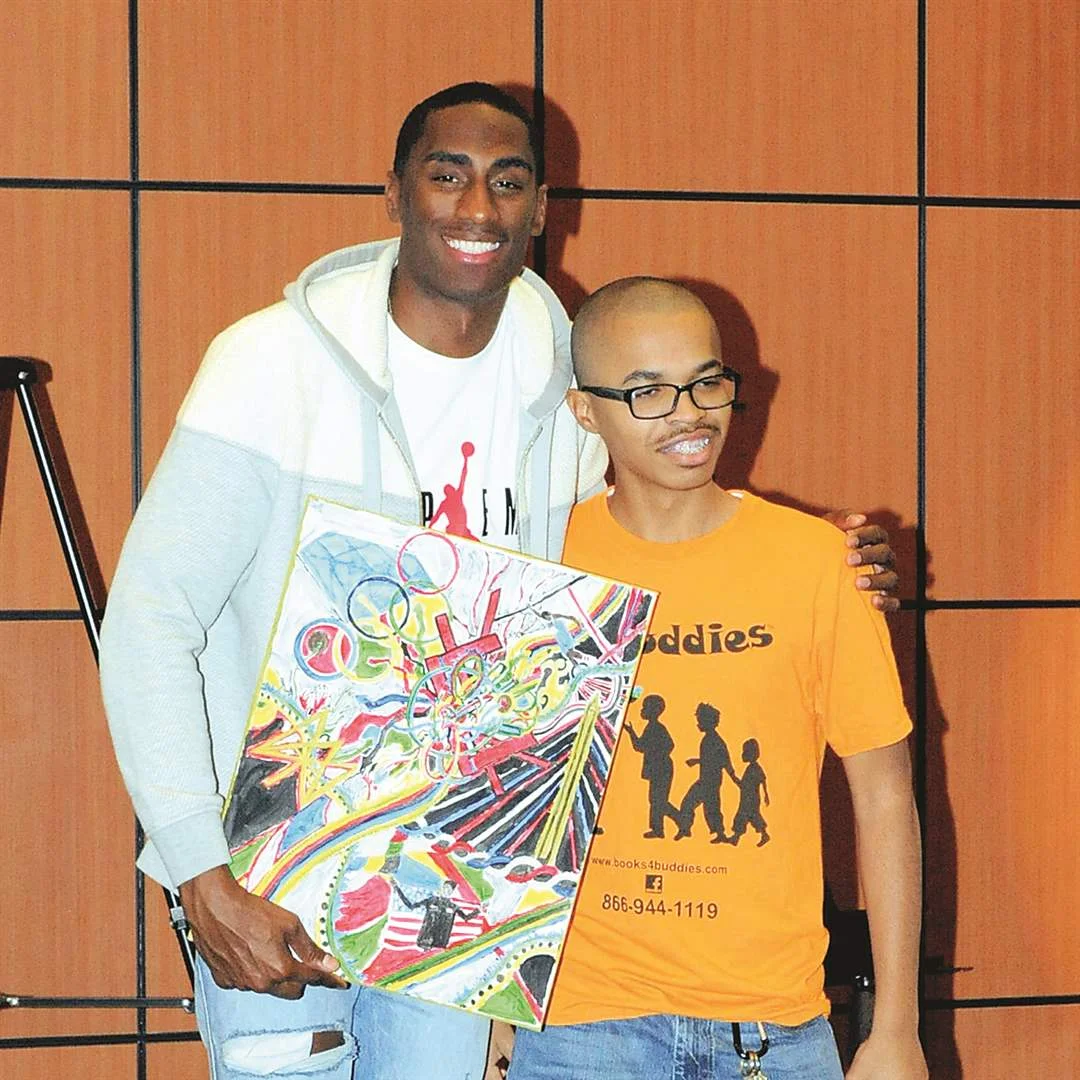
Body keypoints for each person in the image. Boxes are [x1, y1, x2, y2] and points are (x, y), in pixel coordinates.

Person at [99, 82, 901, 1080]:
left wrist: (813, 550)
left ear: (541, 207)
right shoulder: (268, 365)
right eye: (448, 175)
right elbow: (148, 619)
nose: (477, 208)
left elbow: (640, 530)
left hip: (463, 880)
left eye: (507, 181)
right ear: (394, 192)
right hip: (276, 870)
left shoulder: (553, 369)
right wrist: (198, 874)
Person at [508, 278, 927, 1079]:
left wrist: (896, 1030)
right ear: (583, 410)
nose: (689, 412)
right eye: (646, 392)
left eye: (706, 382)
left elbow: (883, 798)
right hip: (579, 1032)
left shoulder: (816, 562)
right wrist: (492, 1014)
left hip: (772, 1034)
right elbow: (502, 800)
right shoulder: (539, 560)